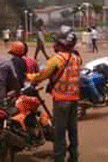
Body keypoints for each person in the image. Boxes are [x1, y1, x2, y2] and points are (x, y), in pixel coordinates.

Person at [28, 26, 82, 162]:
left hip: (61, 100)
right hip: (74, 99)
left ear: (61, 44)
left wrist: (30, 78)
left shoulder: (57, 58)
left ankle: (59, 158)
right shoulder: (76, 58)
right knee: (73, 130)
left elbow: (43, 74)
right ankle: (74, 156)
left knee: (59, 131)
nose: (54, 45)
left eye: (56, 42)